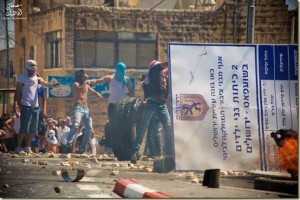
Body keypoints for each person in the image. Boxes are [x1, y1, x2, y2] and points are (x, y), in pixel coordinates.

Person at [130, 60, 174, 164]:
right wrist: (174, 57)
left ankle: (169, 154)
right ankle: (134, 152)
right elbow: (165, 64)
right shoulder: (154, 70)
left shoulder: (162, 76)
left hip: (161, 105)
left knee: (168, 127)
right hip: (152, 104)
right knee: (143, 128)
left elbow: (165, 91)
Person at [13, 59, 60, 154]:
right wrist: (15, 105)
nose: (33, 72)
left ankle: (28, 147)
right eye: (31, 70)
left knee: (33, 129)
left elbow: (46, 83)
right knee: (24, 128)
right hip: (26, 106)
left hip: (36, 108)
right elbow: (17, 92)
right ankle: (18, 147)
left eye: (34, 70)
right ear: (27, 69)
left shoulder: (37, 78)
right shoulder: (22, 79)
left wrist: (53, 85)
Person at [87, 62, 134, 154]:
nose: (122, 71)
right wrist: (89, 81)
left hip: (123, 106)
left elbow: (131, 92)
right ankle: (109, 148)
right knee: (112, 126)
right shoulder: (110, 78)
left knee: (123, 126)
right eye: (121, 69)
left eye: (124, 70)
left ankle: (123, 147)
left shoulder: (127, 79)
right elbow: (98, 81)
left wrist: (130, 102)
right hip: (112, 106)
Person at [65, 69, 103, 154]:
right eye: (82, 75)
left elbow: (92, 91)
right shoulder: (76, 84)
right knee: (75, 125)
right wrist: (85, 81)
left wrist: (98, 95)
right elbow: (80, 89)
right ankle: (68, 144)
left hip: (86, 108)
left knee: (89, 128)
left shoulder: (86, 85)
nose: (84, 76)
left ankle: (83, 148)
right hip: (78, 107)